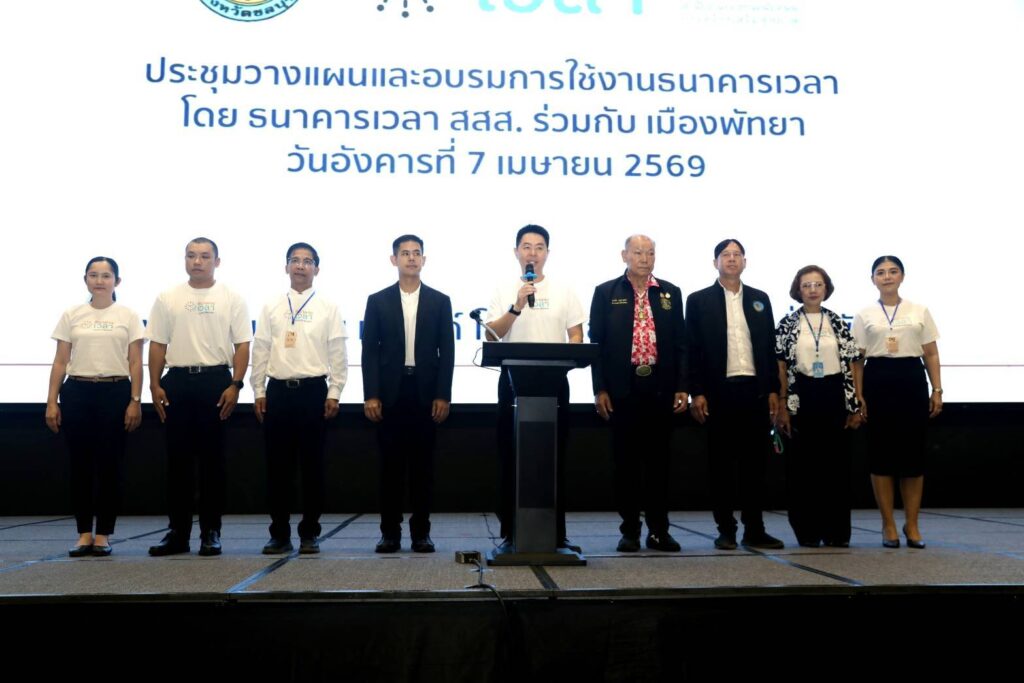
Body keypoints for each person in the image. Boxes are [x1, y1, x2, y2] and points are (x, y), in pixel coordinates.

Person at [484, 224, 586, 553]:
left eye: (539, 247)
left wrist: (570, 352)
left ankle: (557, 534)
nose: (532, 253)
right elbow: (491, 335)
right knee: (511, 456)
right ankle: (510, 533)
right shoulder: (503, 288)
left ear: (547, 253)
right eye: (526, 247)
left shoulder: (564, 289)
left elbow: (576, 335)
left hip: (554, 382)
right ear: (516, 252)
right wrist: (516, 306)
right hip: (514, 383)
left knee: (554, 456)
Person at [146, 237, 250, 557]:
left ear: (217, 262)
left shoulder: (231, 297)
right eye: (191, 255)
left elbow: (242, 345)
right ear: (185, 260)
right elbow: (157, 344)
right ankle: (178, 533)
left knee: (212, 463)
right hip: (176, 383)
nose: (197, 261)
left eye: (205, 256)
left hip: (216, 382)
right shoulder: (168, 297)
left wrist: (236, 384)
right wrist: (154, 384)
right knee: (177, 463)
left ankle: (211, 532)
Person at [589, 235, 689, 553]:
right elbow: (597, 346)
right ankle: (630, 530)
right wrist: (600, 388)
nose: (645, 258)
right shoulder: (606, 292)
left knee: (659, 464)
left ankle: (659, 531)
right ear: (624, 255)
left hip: (660, 388)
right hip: (623, 389)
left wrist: (682, 385)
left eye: (650, 253)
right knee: (626, 464)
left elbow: (681, 344)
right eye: (638, 252)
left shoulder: (670, 292)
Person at [686, 239, 785, 550]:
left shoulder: (760, 299)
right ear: (715, 262)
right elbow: (692, 350)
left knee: (755, 466)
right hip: (718, 393)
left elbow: (768, 348)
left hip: (754, 392)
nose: (731, 259)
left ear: (745, 261)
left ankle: (755, 529)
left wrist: (773, 389)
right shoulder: (698, 300)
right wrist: (697, 392)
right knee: (721, 466)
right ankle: (726, 530)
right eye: (725, 255)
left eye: (737, 255)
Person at [251, 242, 347, 555]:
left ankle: (309, 533)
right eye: (295, 260)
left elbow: (338, 353)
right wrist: (258, 390)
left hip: (313, 392)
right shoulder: (272, 306)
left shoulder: (328, 307)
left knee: (312, 467)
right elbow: (261, 349)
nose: (301, 266)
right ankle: (279, 533)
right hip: (278, 392)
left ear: (317, 269)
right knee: (278, 469)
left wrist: (335, 391)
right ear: (286, 267)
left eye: (307, 261)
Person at [46, 257, 144, 557]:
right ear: (85, 280)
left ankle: (103, 534)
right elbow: (61, 361)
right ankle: (83, 534)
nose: (99, 281)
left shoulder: (128, 315)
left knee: (110, 466)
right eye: (93, 275)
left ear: (117, 281)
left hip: (115, 392)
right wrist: (51, 401)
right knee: (80, 466)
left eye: (106, 275)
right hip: (77, 392)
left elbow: (135, 362)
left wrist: (135, 400)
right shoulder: (72, 314)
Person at [362, 235, 454, 554]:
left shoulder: (440, 301)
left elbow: (447, 351)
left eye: (416, 253)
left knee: (422, 469)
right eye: (405, 253)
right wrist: (371, 394)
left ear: (424, 260)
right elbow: (369, 352)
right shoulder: (377, 300)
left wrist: (443, 394)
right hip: (391, 394)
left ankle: (421, 534)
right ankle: (389, 533)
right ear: (394, 260)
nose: (411, 258)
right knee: (390, 468)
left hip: (425, 394)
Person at [853, 255, 942, 549]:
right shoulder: (864, 314)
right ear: (873, 279)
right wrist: (858, 394)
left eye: (893, 271)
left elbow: (931, 353)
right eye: (881, 272)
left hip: (911, 381)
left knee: (912, 458)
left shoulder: (919, 310)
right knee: (882, 456)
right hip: (878, 381)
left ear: (902, 276)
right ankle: (888, 524)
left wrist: (937, 390)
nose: (887, 277)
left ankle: (912, 525)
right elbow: (857, 361)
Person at [774, 266, 863, 548]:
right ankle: (808, 532)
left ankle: (837, 533)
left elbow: (854, 363)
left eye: (818, 284)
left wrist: (856, 402)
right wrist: (782, 405)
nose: (812, 290)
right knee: (803, 469)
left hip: (834, 394)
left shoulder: (837, 322)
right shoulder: (788, 324)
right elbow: (780, 366)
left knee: (836, 468)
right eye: (806, 285)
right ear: (797, 290)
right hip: (801, 396)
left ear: (826, 288)